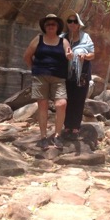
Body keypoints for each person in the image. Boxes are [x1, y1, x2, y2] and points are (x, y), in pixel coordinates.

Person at [23, 13, 72, 150]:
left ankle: (57, 135)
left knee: (61, 103)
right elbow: (27, 56)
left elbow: (69, 56)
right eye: (48, 24)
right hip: (40, 76)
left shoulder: (63, 42)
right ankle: (43, 137)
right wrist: (34, 69)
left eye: (53, 24)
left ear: (57, 27)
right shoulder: (38, 39)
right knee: (42, 105)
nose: (51, 26)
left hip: (58, 77)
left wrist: (69, 56)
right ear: (45, 27)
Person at [61, 10, 95, 139]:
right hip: (65, 74)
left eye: (75, 21)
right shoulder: (62, 37)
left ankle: (75, 127)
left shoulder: (85, 37)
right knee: (66, 100)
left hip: (82, 75)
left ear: (79, 24)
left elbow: (93, 54)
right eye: (70, 21)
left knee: (78, 100)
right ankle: (66, 126)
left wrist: (84, 55)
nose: (72, 23)